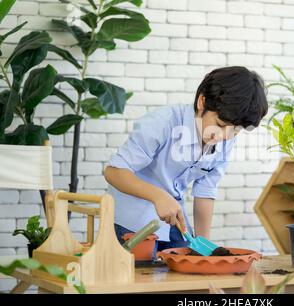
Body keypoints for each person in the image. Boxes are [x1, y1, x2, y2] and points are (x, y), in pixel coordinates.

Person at [104, 66, 268, 256]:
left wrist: (203, 246)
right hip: (132, 222)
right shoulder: (163, 123)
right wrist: (158, 196)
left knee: (184, 273)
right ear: (202, 102)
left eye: (236, 130)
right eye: (220, 125)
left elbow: (205, 191)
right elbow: (114, 171)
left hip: (172, 220)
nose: (225, 136)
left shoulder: (225, 139)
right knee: (143, 279)